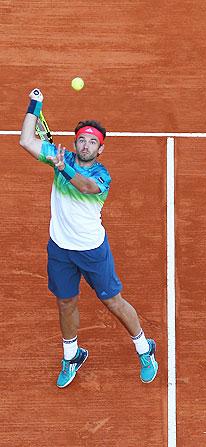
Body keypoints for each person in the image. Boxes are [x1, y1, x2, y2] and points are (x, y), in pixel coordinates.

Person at [19, 88, 159, 387]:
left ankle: (145, 349)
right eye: (82, 139)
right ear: (75, 142)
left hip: (92, 251)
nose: (86, 144)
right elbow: (26, 140)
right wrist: (35, 105)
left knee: (113, 302)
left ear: (100, 149)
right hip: (60, 249)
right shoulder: (61, 157)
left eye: (93, 141)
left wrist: (62, 168)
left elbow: (84, 187)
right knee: (65, 302)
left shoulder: (101, 176)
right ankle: (72, 355)